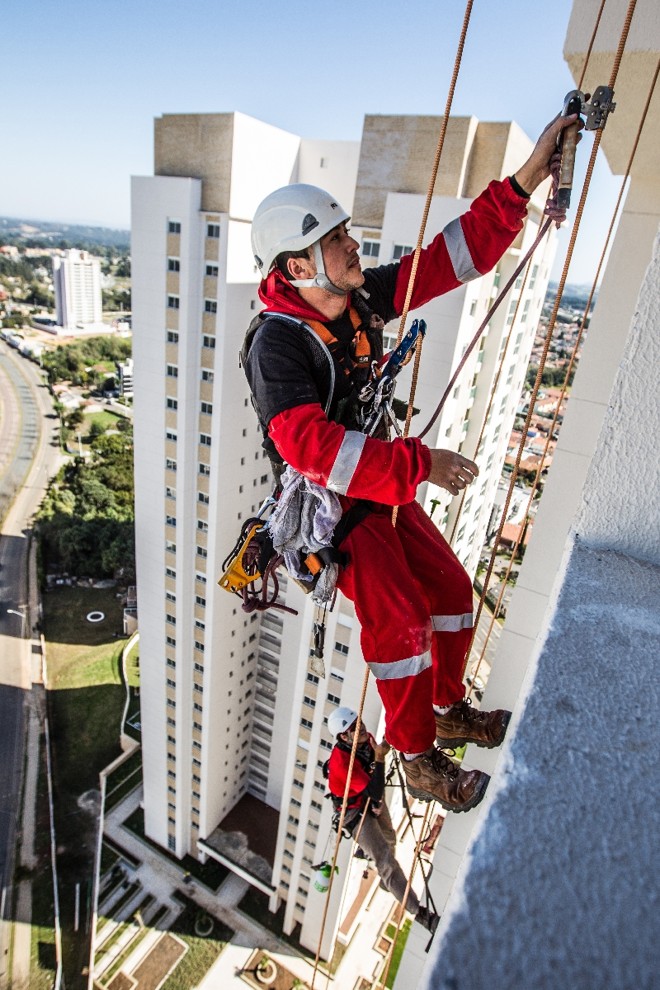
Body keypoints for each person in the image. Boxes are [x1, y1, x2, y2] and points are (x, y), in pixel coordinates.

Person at [243, 114, 577, 812]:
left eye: (344, 233)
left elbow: (444, 262)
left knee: (452, 595)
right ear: (298, 267)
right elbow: (312, 448)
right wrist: (419, 463)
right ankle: (418, 757)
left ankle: (448, 709)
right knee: (399, 622)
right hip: (333, 506)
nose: (351, 244)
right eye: (335, 240)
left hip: (377, 485)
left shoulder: (353, 302)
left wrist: (522, 182)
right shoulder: (277, 345)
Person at [326, 706, 438, 933]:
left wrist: (390, 739)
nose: (362, 727)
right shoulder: (342, 764)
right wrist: (380, 757)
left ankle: (388, 884)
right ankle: (421, 914)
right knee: (386, 861)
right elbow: (374, 784)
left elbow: (375, 776)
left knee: (390, 838)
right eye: (354, 728)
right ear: (343, 737)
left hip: (368, 796)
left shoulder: (366, 741)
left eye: (359, 722)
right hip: (353, 813)